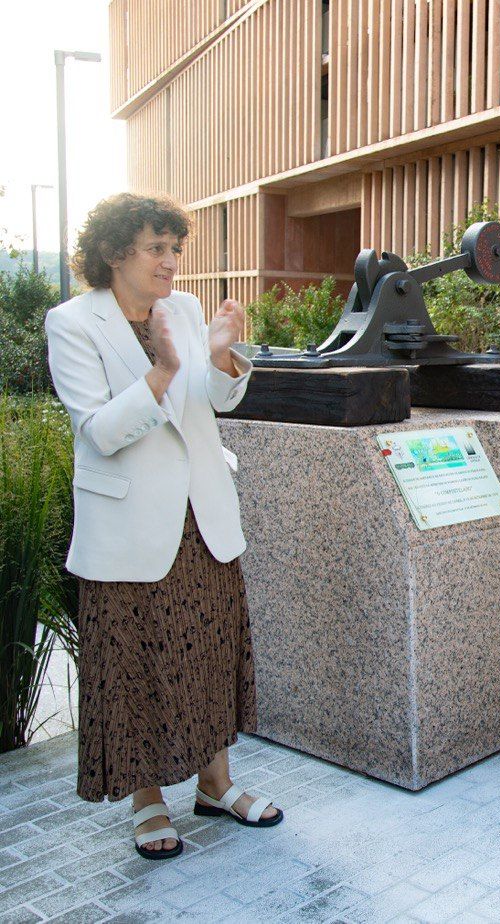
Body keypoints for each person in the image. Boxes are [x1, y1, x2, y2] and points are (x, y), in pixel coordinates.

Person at [45, 193, 281, 860]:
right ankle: (146, 801)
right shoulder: (72, 323)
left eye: (176, 248)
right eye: (157, 248)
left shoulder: (181, 309)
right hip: (127, 528)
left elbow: (212, 400)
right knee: (134, 666)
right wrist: (161, 373)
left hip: (201, 517)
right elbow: (98, 432)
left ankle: (216, 785)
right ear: (115, 252)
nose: (172, 262)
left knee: (207, 653)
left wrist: (225, 357)